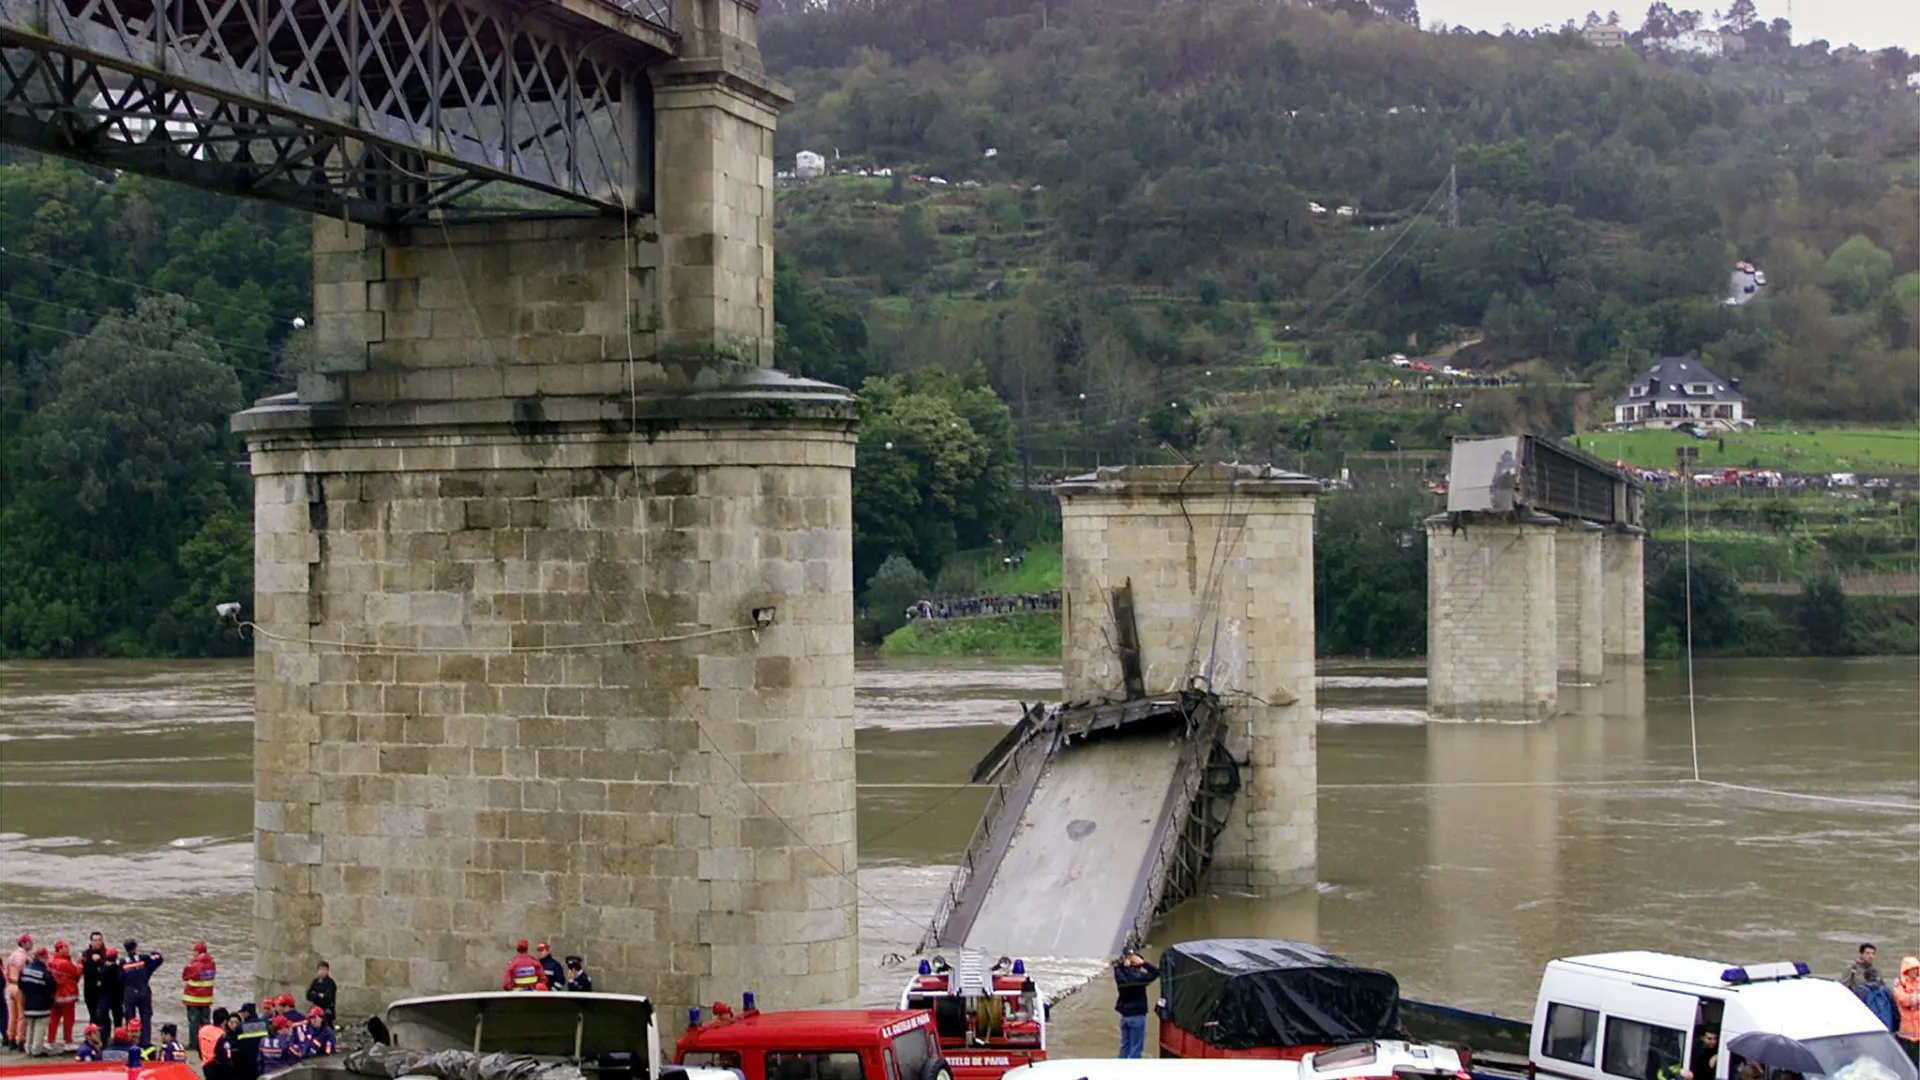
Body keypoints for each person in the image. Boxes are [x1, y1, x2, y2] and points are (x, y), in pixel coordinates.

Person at [1112, 950, 1159, 1060]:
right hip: (1137, 1015)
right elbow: (1156, 972)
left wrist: (1124, 963)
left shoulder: (1120, 975)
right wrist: (1143, 963)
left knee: (1125, 1045)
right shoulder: (1140, 978)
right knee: (1136, 1048)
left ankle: (1121, 1069)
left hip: (1124, 1016)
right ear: (1137, 965)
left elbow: (1117, 967)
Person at [118, 939, 163, 1048]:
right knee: (146, 1018)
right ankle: (145, 1042)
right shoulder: (143, 959)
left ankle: (130, 1042)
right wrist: (154, 954)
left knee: (130, 1019)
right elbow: (159, 959)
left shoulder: (123, 962)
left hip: (129, 991)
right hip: (143, 989)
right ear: (135, 947)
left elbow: (118, 977)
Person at [20, 946, 54, 1057]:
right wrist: (50, 1000)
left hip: (28, 1004)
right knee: (40, 1028)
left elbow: (20, 985)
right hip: (41, 1005)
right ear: (42, 958)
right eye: (46, 958)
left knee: (30, 1027)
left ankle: (28, 1048)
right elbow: (52, 987)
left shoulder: (25, 970)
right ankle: (37, 1050)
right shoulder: (44, 972)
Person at [49, 940, 82, 1053]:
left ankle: (50, 1040)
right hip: (67, 995)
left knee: (54, 1019)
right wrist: (80, 963)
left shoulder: (51, 961)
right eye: (65, 947)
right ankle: (67, 1041)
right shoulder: (65, 963)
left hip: (55, 995)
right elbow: (76, 973)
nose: (68, 949)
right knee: (68, 1019)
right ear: (60, 949)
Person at [181, 942, 216, 1036]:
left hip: (193, 999)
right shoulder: (212, 964)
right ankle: (206, 1042)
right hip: (206, 999)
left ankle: (193, 1044)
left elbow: (185, 976)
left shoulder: (193, 965)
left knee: (193, 1023)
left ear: (197, 951)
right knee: (206, 1023)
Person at [5, 932, 30, 1051]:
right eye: (29, 942)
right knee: (21, 1016)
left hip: (10, 985)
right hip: (19, 986)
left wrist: (8, 984)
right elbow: (24, 973)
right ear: (24, 943)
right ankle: (21, 1040)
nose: (31, 944)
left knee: (12, 1015)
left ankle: (11, 1038)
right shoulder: (24, 957)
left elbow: (6, 971)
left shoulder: (11, 955)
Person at [80, 934, 111, 1029]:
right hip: (89, 989)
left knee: (103, 1014)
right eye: (95, 940)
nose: (97, 942)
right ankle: (93, 1036)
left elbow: (113, 968)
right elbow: (81, 970)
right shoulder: (85, 954)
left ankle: (105, 1036)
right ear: (91, 942)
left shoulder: (107, 953)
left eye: (99, 940)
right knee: (93, 1015)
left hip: (104, 989)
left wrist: (101, 960)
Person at [1894, 956, 1920, 1067]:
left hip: (1918, 1031)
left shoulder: (1918, 983)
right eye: (1914, 969)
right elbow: (1904, 1000)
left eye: (1917, 968)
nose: (1917, 971)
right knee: (1909, 1062)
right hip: (1907, 1033)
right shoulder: (1899, 984)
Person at [306, 961, 337, 1028]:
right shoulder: (315, 981)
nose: (322, 972)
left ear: (327, 971)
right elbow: (308, 995)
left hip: (326, 1011)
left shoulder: (330, 983)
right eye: (320, 969)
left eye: (324, 970)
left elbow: (327, 998)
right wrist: (318, 995)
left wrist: (315, 995)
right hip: (315, 1010)